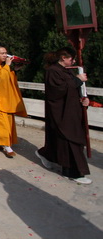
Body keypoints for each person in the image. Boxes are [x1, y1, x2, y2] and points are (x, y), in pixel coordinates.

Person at [35, 47, 92, 184]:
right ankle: (73, 172)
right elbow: (57, 91)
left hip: (72, 111)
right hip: (61, 112)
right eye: (71, 59)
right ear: (63, 58)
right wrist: (77, 80)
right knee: (69, 140)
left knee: (60, 140)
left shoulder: (67, 71)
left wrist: (84, 100)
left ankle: (46, 154)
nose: (73, 61)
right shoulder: (52, 71)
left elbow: (73, 90)